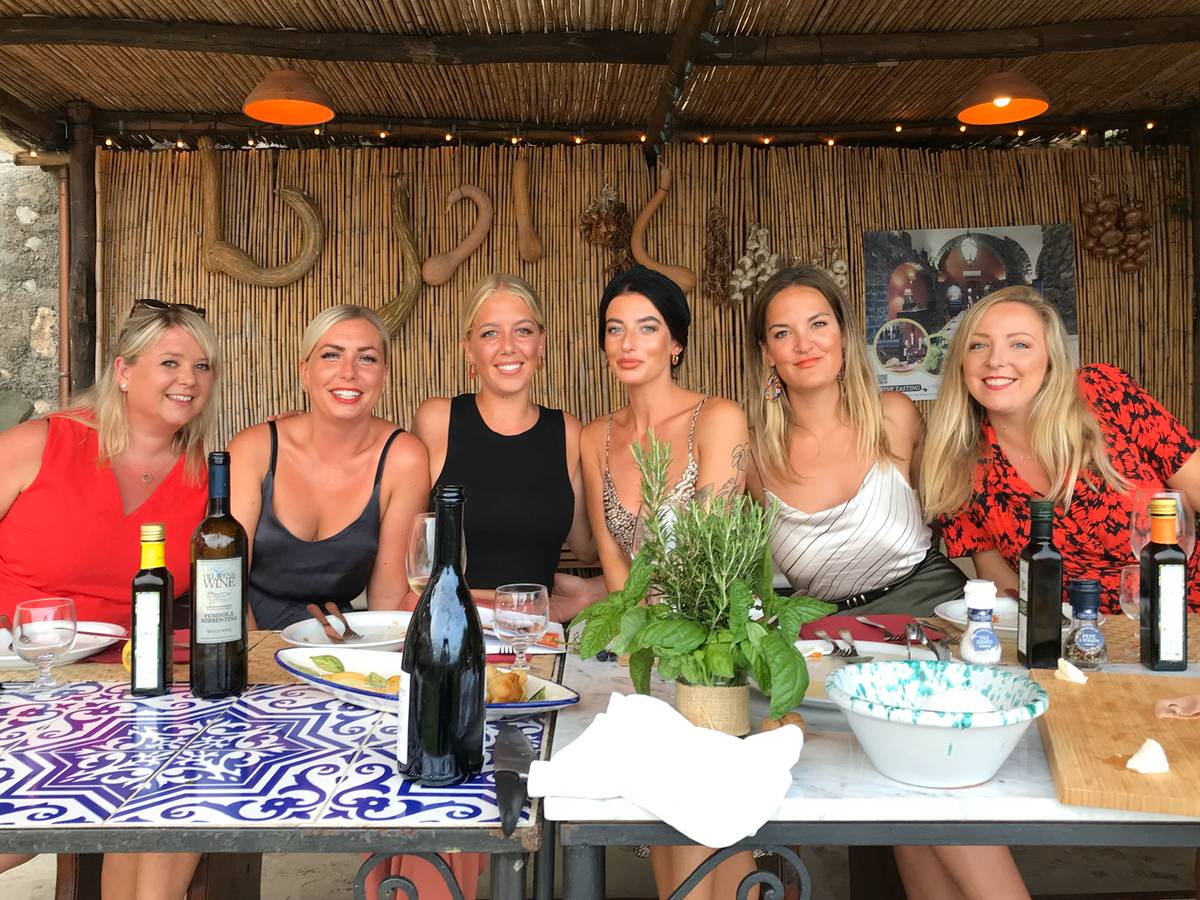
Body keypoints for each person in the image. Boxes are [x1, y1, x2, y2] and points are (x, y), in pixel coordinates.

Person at [0, 299, 220, 898]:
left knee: (172, 796)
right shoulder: (42, 443)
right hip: (19, 677)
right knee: (17, 831)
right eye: (170, 362)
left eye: (202, 367)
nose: (188, 379)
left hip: (125, 690)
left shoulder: (205, 478)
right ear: (123, 370)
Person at [579, 265, 755, 900]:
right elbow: (612, 560)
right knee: (660, 808)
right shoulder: (595, 438)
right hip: (639, 650)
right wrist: (637, 638)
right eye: (614, 329)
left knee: (711, 810)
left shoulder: (719, 418)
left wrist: (661, 637)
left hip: (706, 645)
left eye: (647, 327)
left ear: (676, 342)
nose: (628, 342)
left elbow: (712, 554)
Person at [923, 285, 1200, 614]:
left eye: (1020, 344)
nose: (995, 360)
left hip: (1186, 614)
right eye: (978, 345)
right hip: (1075, 632)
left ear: (1050, 359)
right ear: (961, 363)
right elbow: (1006, 591)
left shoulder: (1102, 392)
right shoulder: (958, 466)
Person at [743, 266, 966, 614]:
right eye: (783, 333)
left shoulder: (894, 416)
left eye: (819, 324)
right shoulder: (753, 455)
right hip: (829, 631)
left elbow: (947, 515)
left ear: (843, 334)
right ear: (767, 352)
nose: (804, 344)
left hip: (935, 609)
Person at [229, 304, 430, 630]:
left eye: (367, 358)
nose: (349, 372)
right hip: (244, 635)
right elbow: (226, 586)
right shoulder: (253, 449)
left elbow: (388, 596)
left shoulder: (403, 458)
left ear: (384, 373)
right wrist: (255, 656)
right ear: (305, 371)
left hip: (337, 640)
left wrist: (368, 658)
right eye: (331, 355)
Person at [413, 273, 597, 618]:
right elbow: (408, 561)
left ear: (541, 344)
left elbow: (587, 547)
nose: (508, 346)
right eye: (490, 333)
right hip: (450, 630)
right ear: (469, 349)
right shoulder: (437, 421)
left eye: (523, 331)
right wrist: (523, 606)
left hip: (539, 637)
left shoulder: (568, 432)